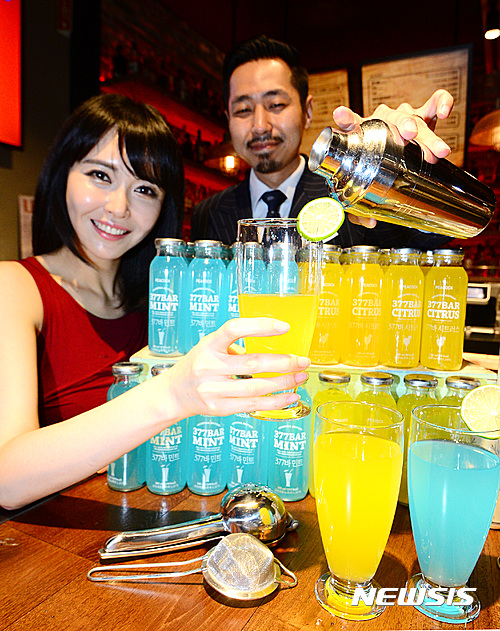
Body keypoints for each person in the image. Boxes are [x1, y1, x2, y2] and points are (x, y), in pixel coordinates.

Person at [0, 93, 310, 511]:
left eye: (144, 189)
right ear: (62, 174)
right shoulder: (15, 288)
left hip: (162, 511)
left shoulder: (167, 303)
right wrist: (174, 393)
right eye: (100, 175)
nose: (119, 207)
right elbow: (6, 478)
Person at [191, 35, 454, 249]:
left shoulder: (352, 195)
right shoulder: (208, 213)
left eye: (276, 104)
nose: (260, 125)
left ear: (307, 112)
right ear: (228, 118)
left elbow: (424, 241)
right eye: (243, 110)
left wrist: (416, 168)